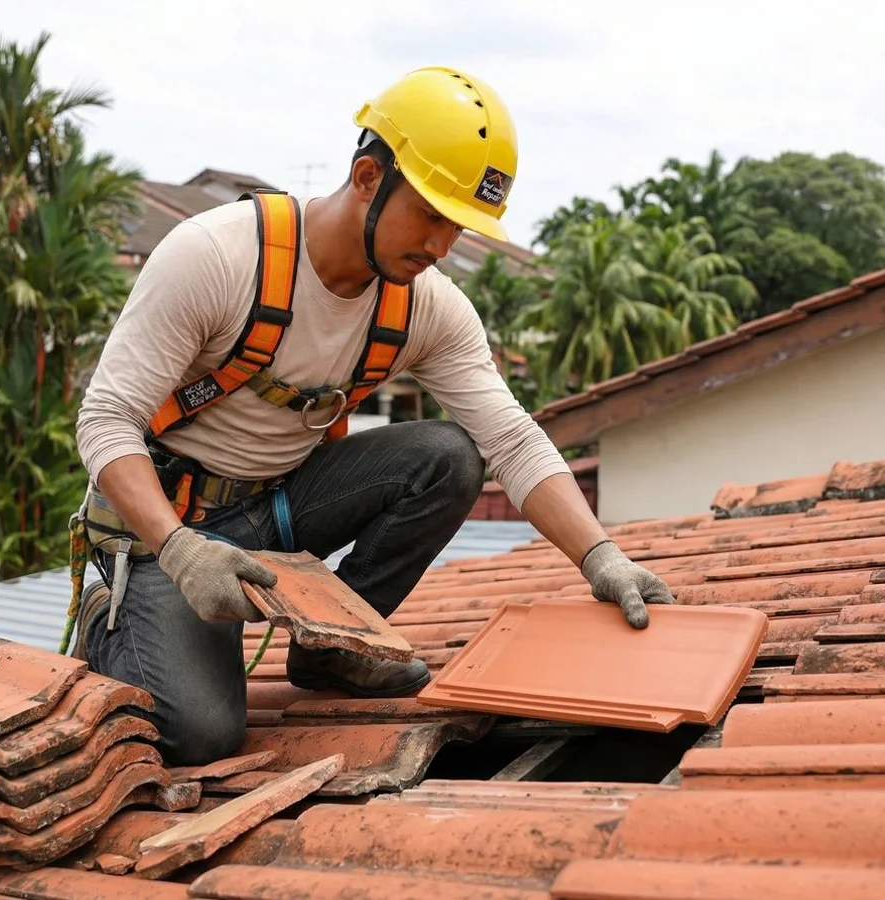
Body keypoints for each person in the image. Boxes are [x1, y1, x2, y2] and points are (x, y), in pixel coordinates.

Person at [73, 65, 676, 766]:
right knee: (197, 736)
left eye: (458, 226)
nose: (442, 246)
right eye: (430, 215)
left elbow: (511, 440)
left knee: (448, 456)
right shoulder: (219, 256)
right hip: (168, 529)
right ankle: (113, 620)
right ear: (367, 177)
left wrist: (601, 558)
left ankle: (329, 649)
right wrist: (181, 551)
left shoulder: (425, 305)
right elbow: (106, 420)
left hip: (279, 510)